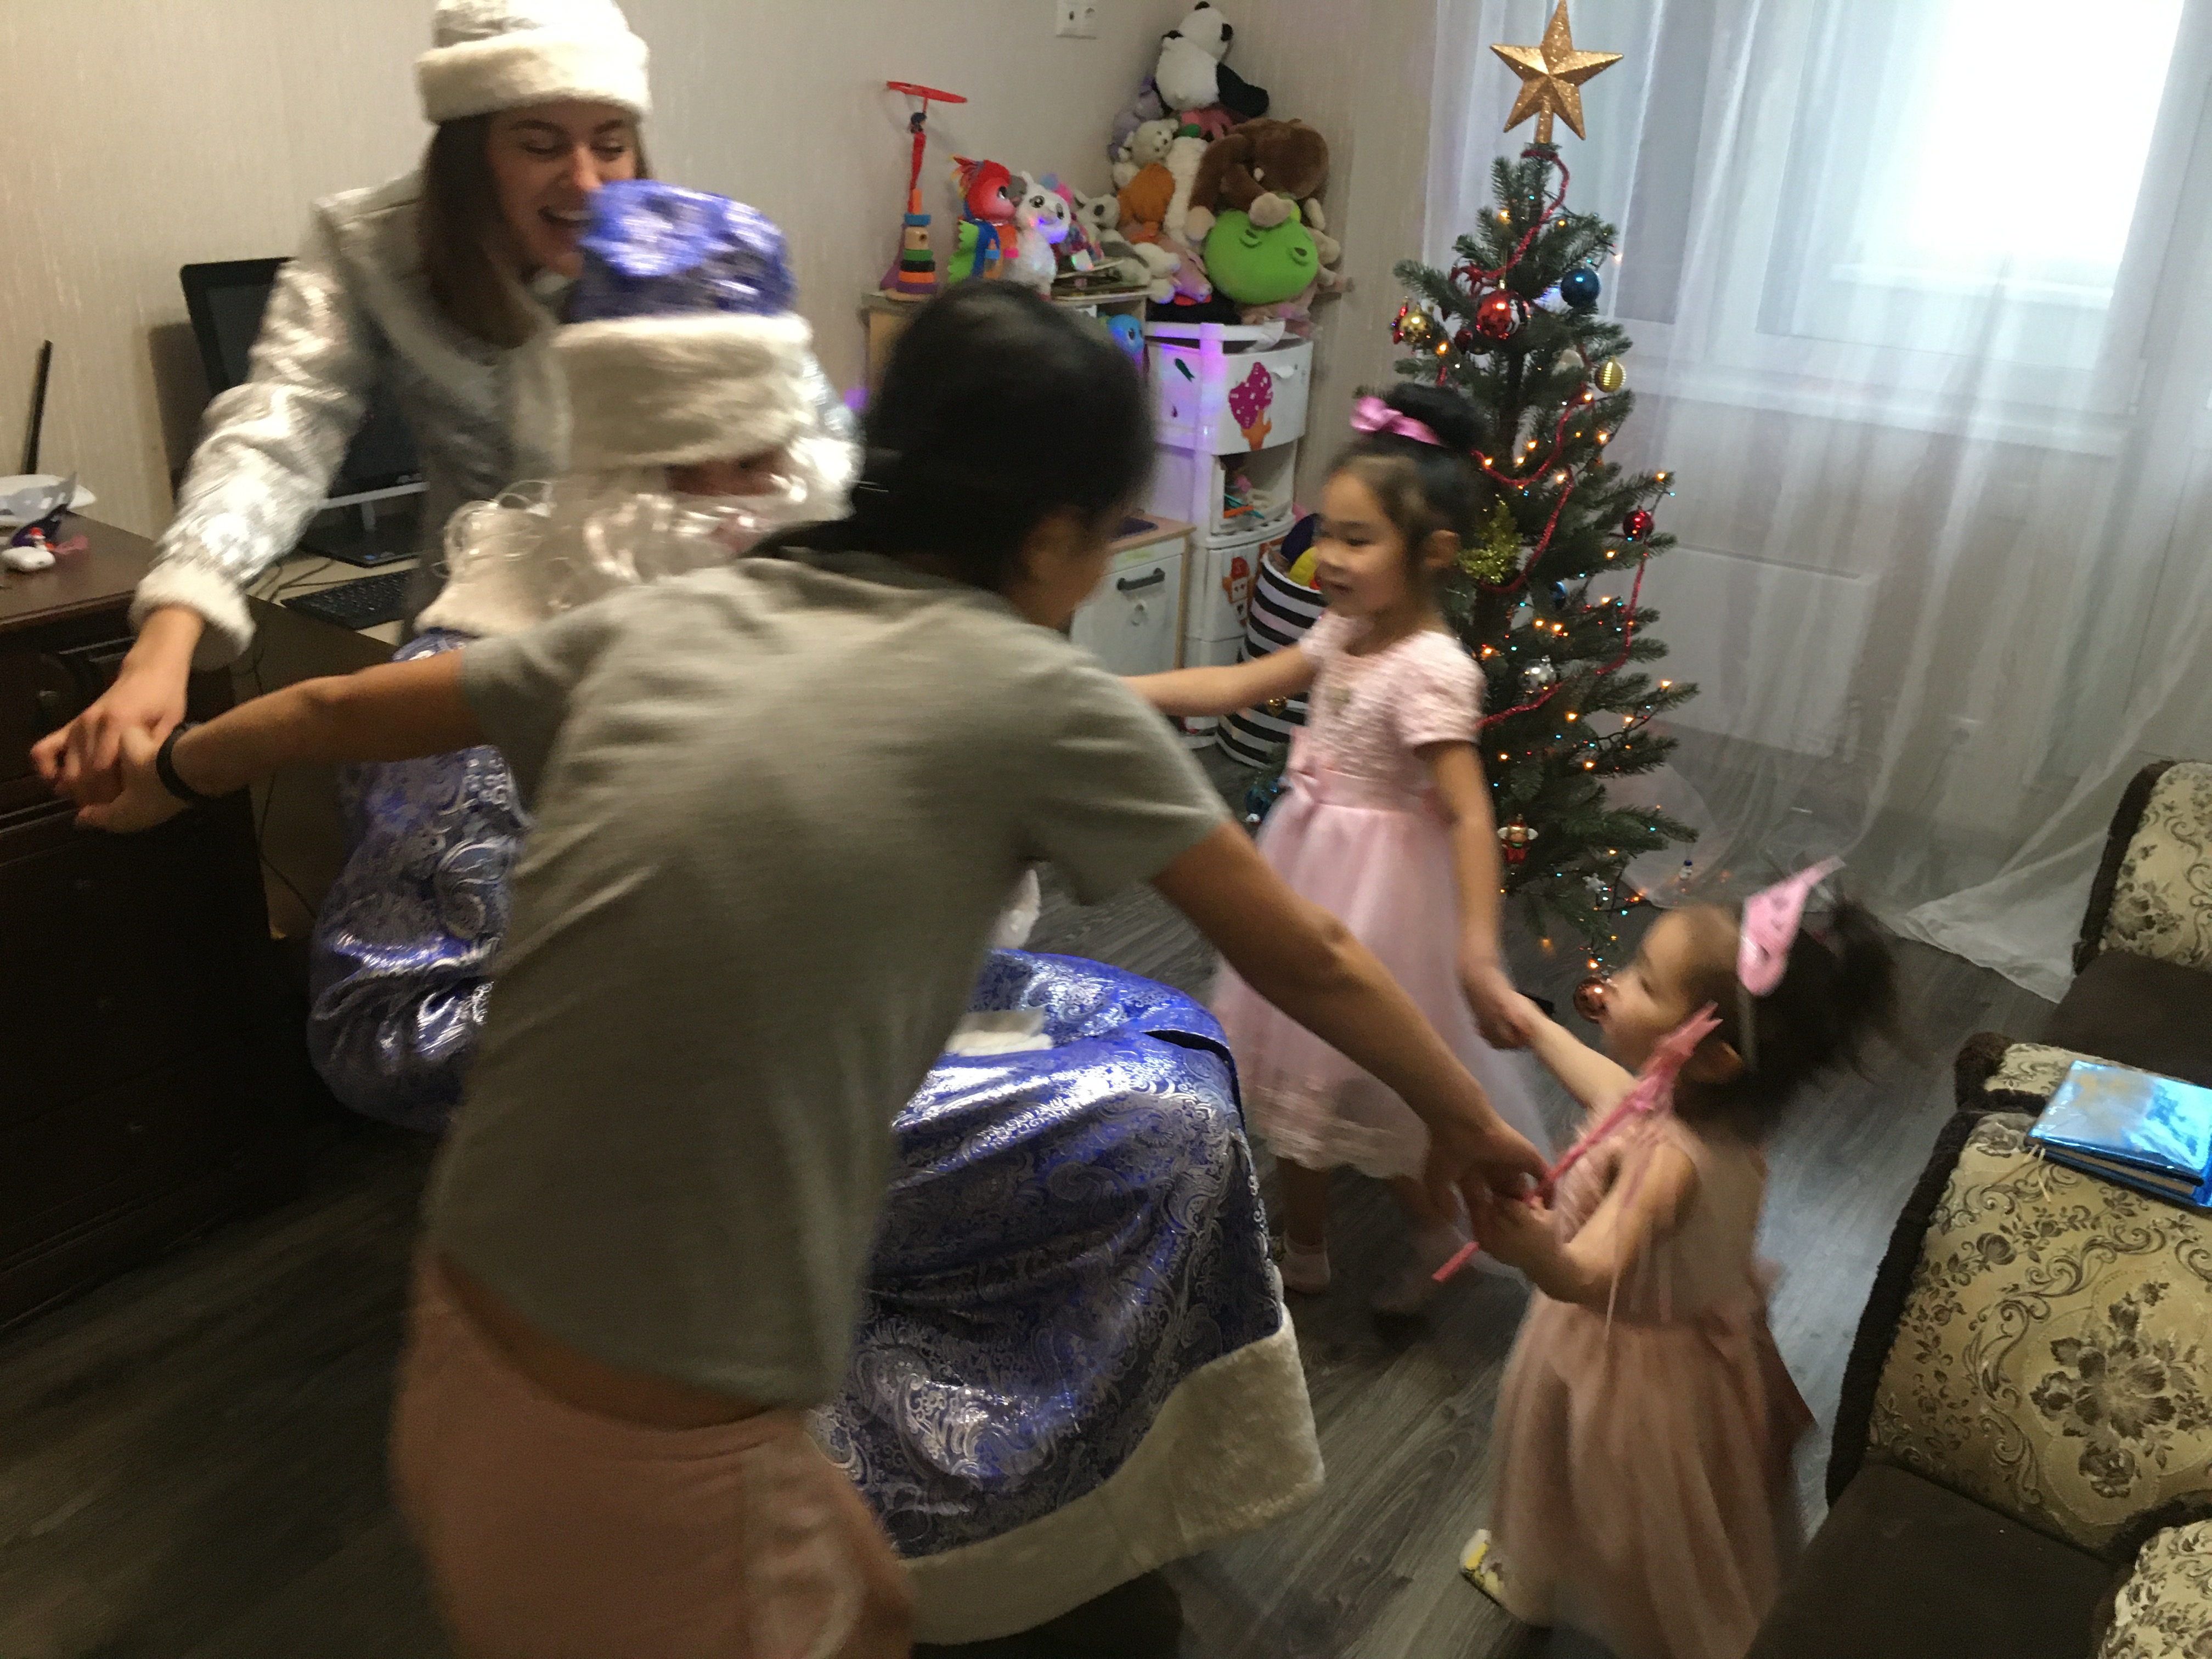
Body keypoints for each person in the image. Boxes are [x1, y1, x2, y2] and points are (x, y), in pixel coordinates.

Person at [69, 283, 1545, 1659]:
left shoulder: (683, 611)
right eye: (1110, 534)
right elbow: (1311, 952)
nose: (1104, 569)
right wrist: (1472, 1120)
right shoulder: (1031, 692)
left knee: (861, 1598)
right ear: (1049, 537)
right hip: (650, 1433)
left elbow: (330, 709)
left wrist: (169, 776)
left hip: (463, 1346)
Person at [306, 182, 1318, 1643]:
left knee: (1180, 1061)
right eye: (696, 461)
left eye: (772, 448)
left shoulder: (825, 585)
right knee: (1149, 1122)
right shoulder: (501, 642)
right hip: (667, 1105)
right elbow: (386, 1022)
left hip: (883, 1010)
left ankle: (1053, 1518)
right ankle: (841, 1510)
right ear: (605, 466)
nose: (750, 493)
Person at [30, 0, 850, 809]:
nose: (586, 181)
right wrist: (167, 639)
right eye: (539, 144)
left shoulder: (681, 252)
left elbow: (810, 441)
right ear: (469, 149)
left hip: (676, 650)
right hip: (476, 642)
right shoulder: (372, 247)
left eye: (611, 143)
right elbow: (280, 428)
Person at [1128, 383, 1545, 1311]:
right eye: (1329, 533)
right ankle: (1305, 1245)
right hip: (1307, 861)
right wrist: (1124, 691)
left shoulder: (1432, 670)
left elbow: (1468, 815)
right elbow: (1239, 685)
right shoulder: (1342, 631)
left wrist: (1479, 954)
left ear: (1433, 553)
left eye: (1359, 540)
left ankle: (1433, 1236)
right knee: (1293, 1068)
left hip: (1382, 897)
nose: (1330, 558)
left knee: (1374, 1085)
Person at [1460, 864, 1896, 1659]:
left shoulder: (1666, 1165)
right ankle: (1544, 1577)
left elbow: (1592, 1273)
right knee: (1653, 1498)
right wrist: (1533, 1026)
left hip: (1622, 1366)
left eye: (1644, 982)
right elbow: (1614, 1091)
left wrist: (1535, 1250)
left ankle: (1618, 1612)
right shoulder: (1706, 1118)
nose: (1614, 985)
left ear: (1712, 1057)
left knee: (1615, 1512)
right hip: (1693, 1352)